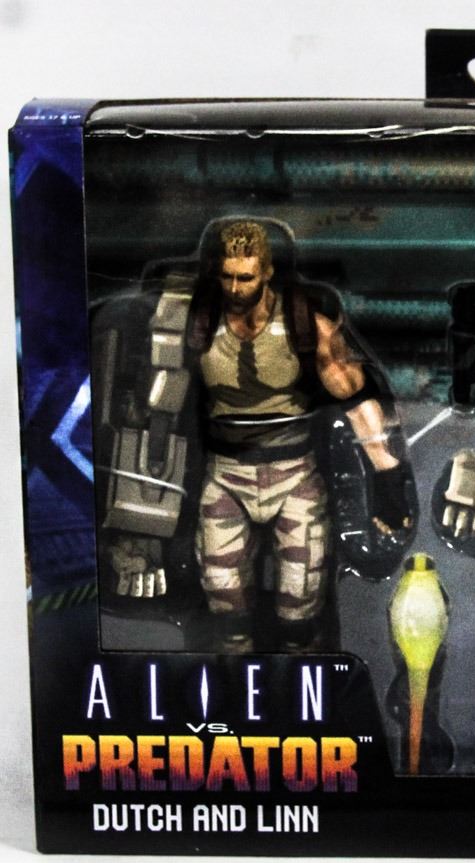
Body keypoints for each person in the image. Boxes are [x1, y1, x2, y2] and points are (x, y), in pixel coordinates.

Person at [106, 220, 411, 651]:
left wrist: (388, 478)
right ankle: (238, 683)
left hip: (295, 476)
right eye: (227, 276)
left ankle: (303, 682)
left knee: (301, 613)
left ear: (266, 272)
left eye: (245, 277)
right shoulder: (195, 320)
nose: (235, 287)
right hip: (225, 476)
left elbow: (357, 400)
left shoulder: (305, 323)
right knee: (226, 613)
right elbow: (155, 414)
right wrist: (140, 527)